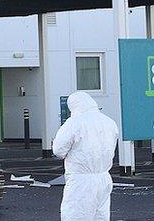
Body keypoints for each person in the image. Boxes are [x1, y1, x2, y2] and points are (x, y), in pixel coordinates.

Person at [52, 91, 119, 221]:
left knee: (76, 214)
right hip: (104, 177)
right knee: (100, 216)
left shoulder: (74, 123)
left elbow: (58, 150)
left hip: (81, 179)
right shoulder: (109, 122)